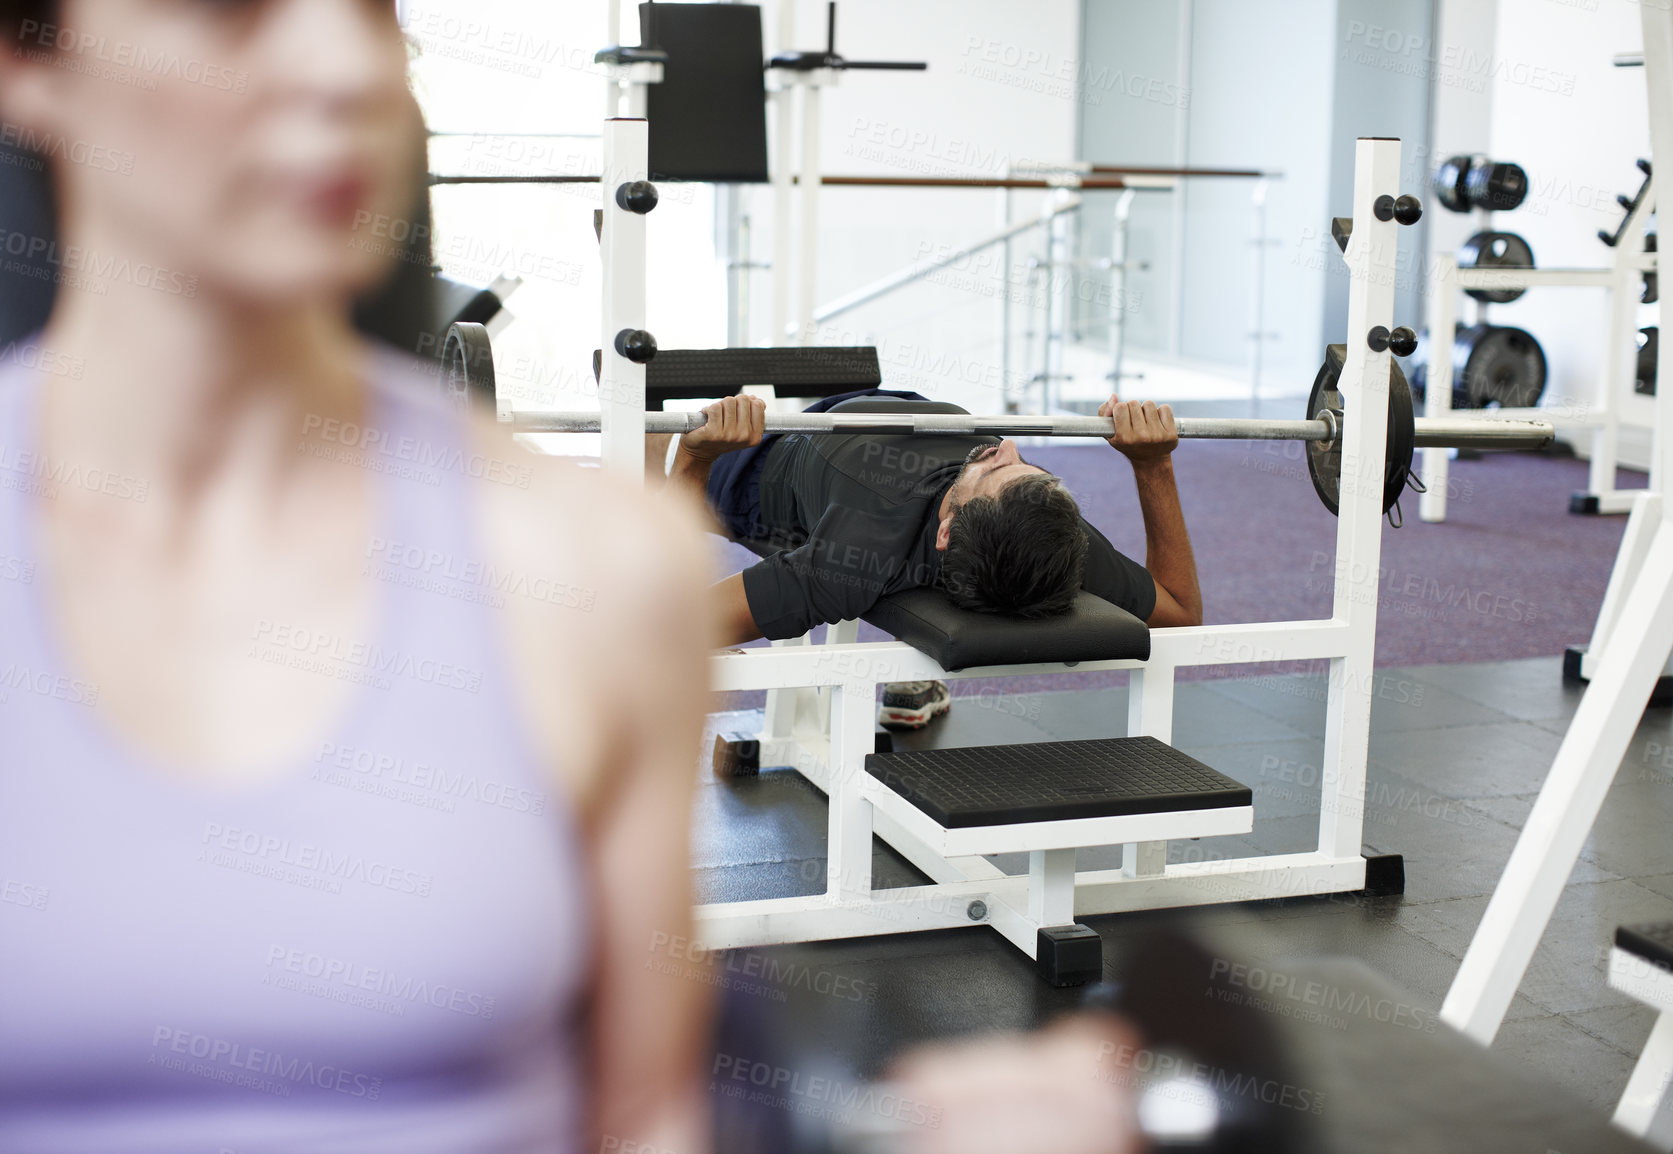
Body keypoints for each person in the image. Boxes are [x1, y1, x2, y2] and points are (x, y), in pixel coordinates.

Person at [0, 3, 716, 1152]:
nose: (345, 65)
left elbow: (646, 1118)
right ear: (28, 59)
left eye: (375, 10)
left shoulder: (598, 564)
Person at [661, 389, 1202, 728]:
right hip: (890, 401)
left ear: (947, 529)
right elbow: (1181, 610)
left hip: (771, 462)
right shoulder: (1051, 535)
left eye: (994, 469)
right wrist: (1154, 466)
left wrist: (696, 454)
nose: (1007, 447)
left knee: (646, 452)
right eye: (1027, 467)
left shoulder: (850, 560)